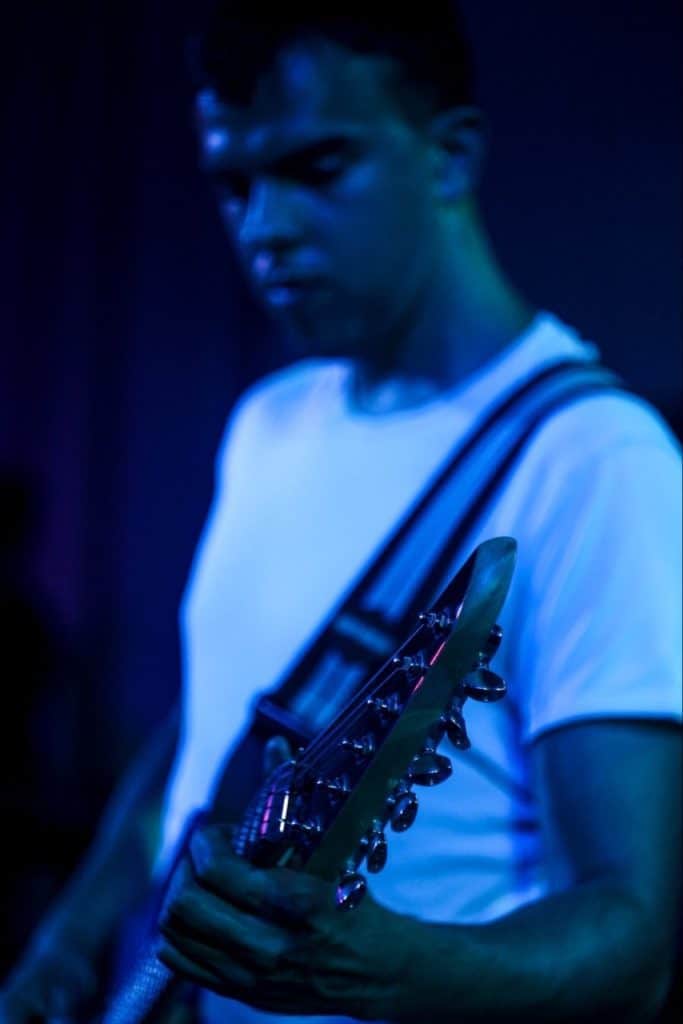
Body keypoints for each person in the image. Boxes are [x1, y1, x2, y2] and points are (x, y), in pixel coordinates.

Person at [1, 4, 681, 1022]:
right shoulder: (268, 421)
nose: (263, 228)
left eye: (317, 169)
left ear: (448, 156)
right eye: (233, 183)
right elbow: (213, 731)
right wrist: (69, 936)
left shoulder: (597, 459)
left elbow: (630, 939)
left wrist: (372, 971)